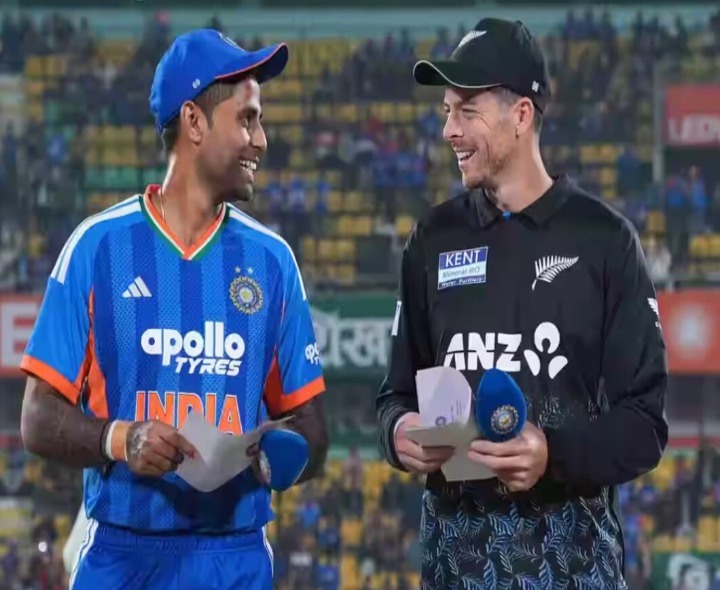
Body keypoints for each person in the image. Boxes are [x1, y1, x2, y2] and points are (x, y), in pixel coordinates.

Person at [20, 29, 328, 590]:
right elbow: (37, 419)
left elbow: (313, 429)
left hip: (235, 557)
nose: (261, 140)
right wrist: (122, 439)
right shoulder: (97, 248)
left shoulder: (273, 262)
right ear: (194, 122)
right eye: (247, 120)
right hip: (121, 554)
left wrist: (283, 456)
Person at [376, 17, 668, 589]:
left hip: (574, 570)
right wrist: (398, 433)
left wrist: (551, 453)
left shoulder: (604, 241)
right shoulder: (432, 241)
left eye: (467, 111)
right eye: (446, 112)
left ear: (522, 114)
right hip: (454, 570)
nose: (449, 130)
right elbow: (395, 395)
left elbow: (644, 425)